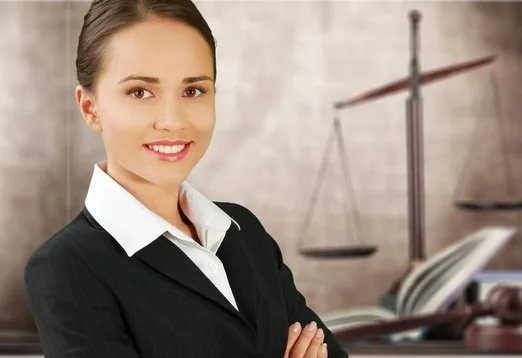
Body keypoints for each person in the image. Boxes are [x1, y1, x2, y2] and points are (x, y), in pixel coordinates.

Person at [23, 1, 349, 357]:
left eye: (193, 90)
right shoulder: (66, 267)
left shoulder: (244, 232)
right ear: (91, 108)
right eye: (140, 92)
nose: (173, 121)